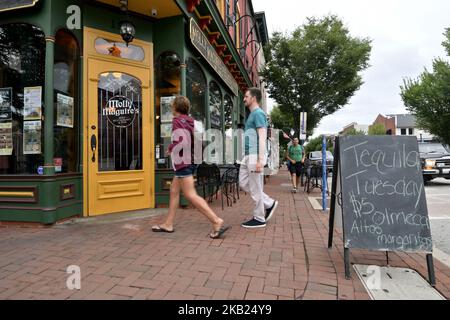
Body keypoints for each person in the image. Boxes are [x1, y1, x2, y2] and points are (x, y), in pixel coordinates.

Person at [152, 96, 230, 239]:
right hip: (191, 160)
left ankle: (216, 220)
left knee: (190, 195)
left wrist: (172, 148)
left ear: (175, 107)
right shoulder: (192, 121)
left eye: (172, 105)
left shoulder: (177, 121)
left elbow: (182, 141)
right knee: (174, 190)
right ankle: (168, 224)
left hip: (183, 162)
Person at [239, 88, 278, 228]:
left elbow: (262, 137)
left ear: (254, 98)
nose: (244, 98)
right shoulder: (252, 115)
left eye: (246, 96)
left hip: (255, 155)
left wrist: (261, 160)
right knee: (243, 183)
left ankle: (259, 218)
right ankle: (269, 203)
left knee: (256, 188)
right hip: (248, 155)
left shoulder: (258, 114)